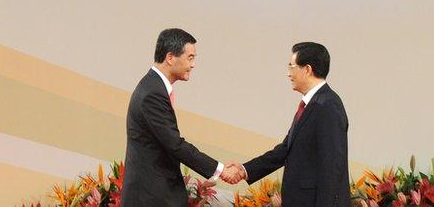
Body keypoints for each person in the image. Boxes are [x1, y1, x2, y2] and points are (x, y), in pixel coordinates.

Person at [221, 42, 350, 206]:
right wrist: (244, 170)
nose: (288, 74)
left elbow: (332, 168)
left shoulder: (328, 106)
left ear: (307, 69)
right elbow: (285, 150)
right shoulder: (312, 104)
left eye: (292, 67)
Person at [121, 28, 227, 206]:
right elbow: (175, 145)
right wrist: (220, 169)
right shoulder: (152, 94)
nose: (193, 65)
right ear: (170, 58)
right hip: (151, 199)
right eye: (190, 58)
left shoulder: (153, 87)